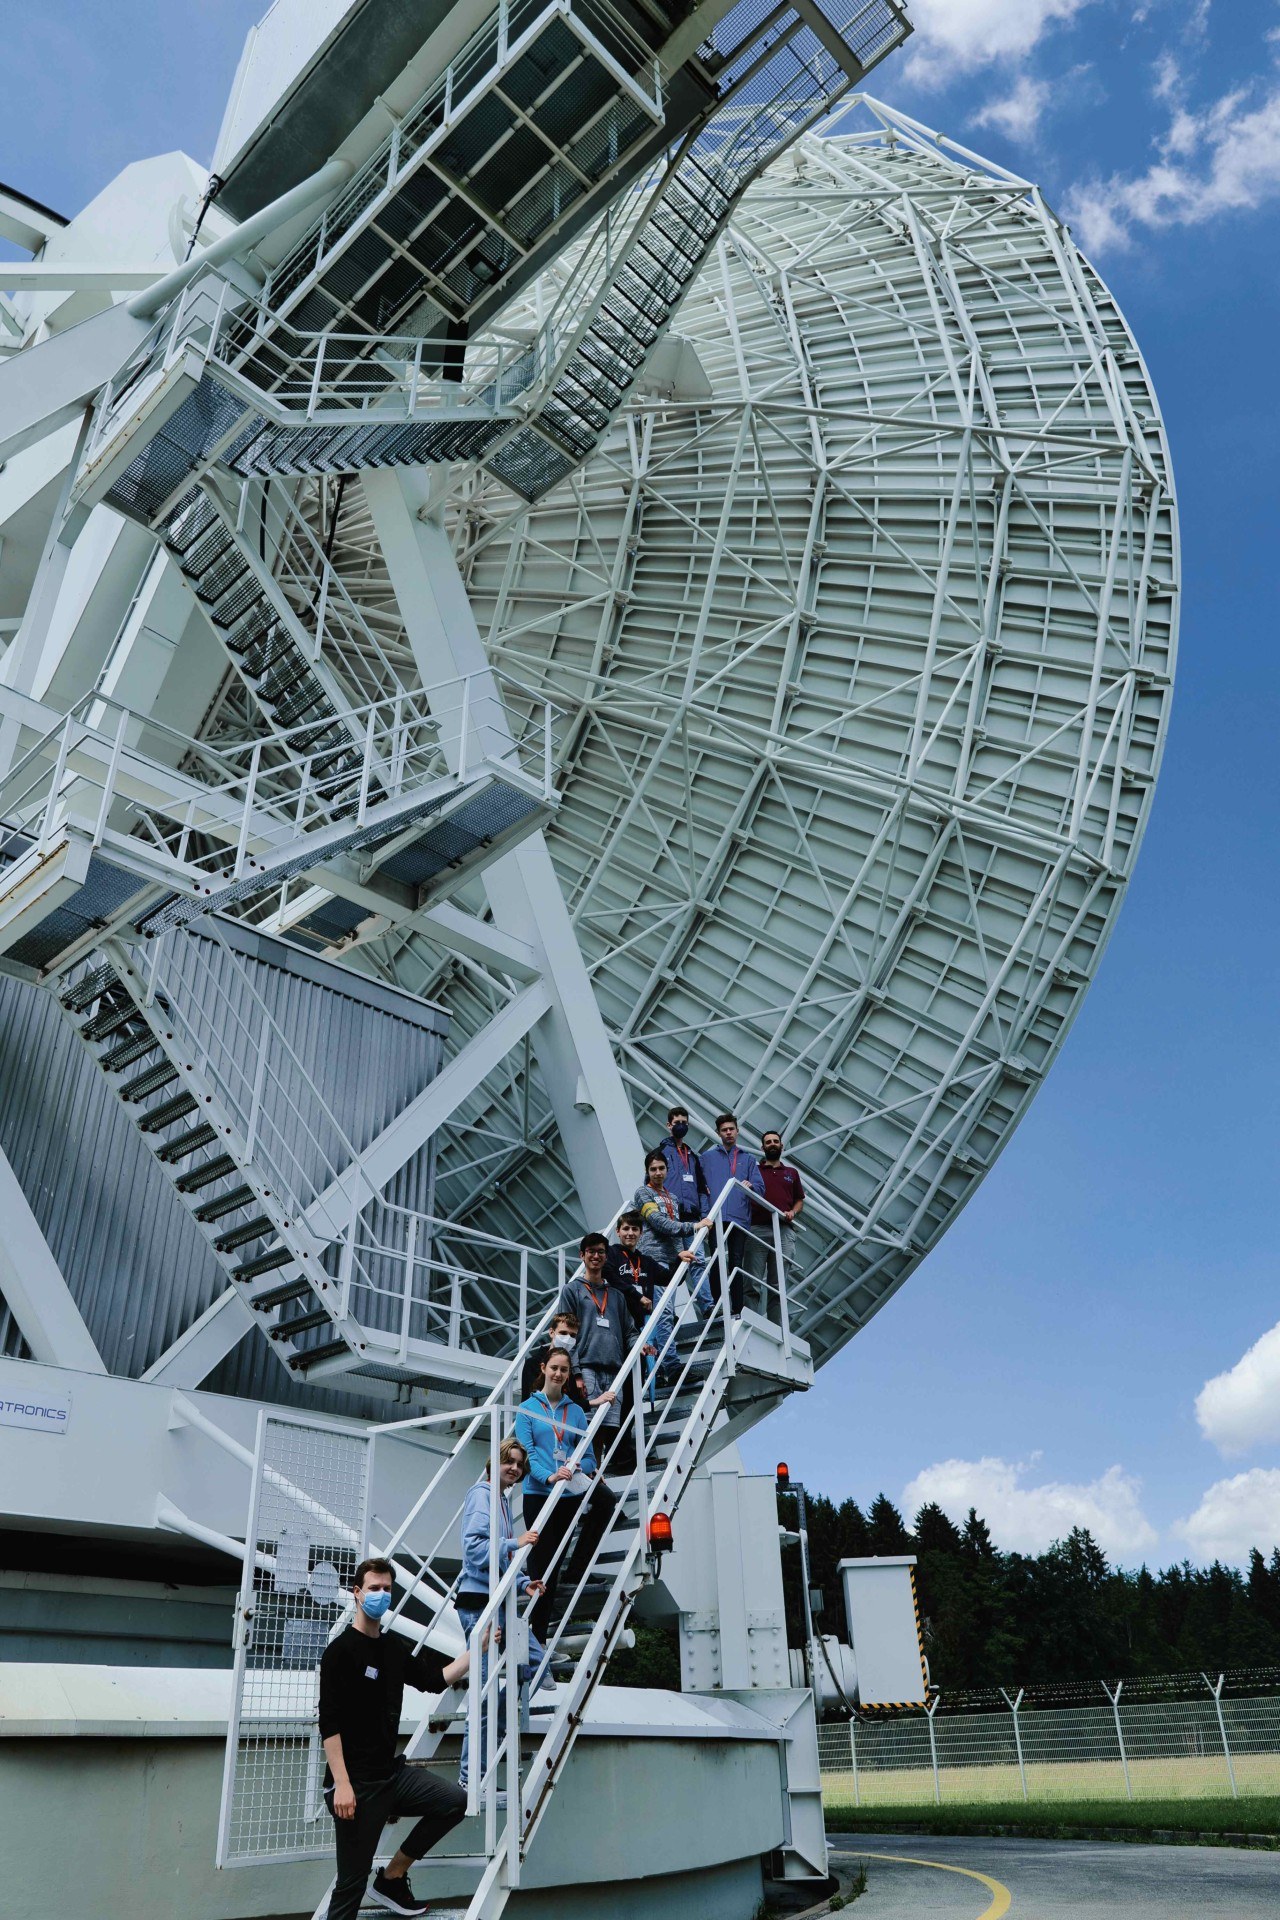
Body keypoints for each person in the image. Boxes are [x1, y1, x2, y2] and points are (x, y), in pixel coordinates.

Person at [319, 1558, 469, 1918]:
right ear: (357, 1593)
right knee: (351, 1885)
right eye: (374, 1588)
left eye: (387, 1589)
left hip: (391, 1775)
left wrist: (476, 1650)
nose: (381, 1595)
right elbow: (330, 1724)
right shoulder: (340, 1652)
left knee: (454, 1802)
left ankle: (393, 1876)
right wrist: (342, 1784)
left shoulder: (392, 1648)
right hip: (356, 1786)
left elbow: (434, 1680)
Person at [456, 1437, 543, 1792]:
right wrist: (515, 1543)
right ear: (495, 1461)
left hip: (499, 1602)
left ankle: (495, 1724)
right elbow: (475, 1550)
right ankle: (469, 1776)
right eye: (510, 1461)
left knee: (536, 1662)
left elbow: (502, 1560)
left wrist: (523, 1583)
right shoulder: (483, 1495)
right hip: (480, 1604)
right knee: (484, 1693)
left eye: (520, 1464)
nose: (516, 1469)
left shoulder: (503, 1500)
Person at [515, 1346, 618, 1642]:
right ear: (543, 1369)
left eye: (564, 1369)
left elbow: (589, 1455)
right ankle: (537, 1638)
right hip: (540, 1493)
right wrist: (549, 1476)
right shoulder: (527, 1409)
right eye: (554, 1368)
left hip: (569, 1492)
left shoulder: (575, 1411)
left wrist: (580, 1467)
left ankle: (577, 1568)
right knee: (543, 1567)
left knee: (606, 1501)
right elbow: (527, 1453)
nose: (559, 1374)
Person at [556, 1233, 627, 1442]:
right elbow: (565, 1333)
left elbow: (629, 1330)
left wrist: (641, 1345)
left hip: (614, 1370)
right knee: (585, 1428)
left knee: (606, 1431)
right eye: (591, 1251)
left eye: (601, 1252)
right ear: (582, 1255)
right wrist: (576, 1373)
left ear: (606, 1256)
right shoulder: (572, 1290)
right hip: (586, 1368)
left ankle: (596, 1465)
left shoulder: (616, 1296)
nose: (596, 1256)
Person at [698, 1113, 766, 1315]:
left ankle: (737, 1308)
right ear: (718, 1133)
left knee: (736, 1262)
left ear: (737, 1131)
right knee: (716, 1260)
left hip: (739, 1219)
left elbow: (760, 1188)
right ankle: (718, 1306)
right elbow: (701, 1189)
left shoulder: (748, 1159)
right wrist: (705, 1215)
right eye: (724, 1130)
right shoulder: (707, 1158)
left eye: (731, 1129)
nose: (728, 1132)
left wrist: (751, 1186)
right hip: (715, 1218)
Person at [744, 1129, 805, 1317]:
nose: (772, 1144)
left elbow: (799, 1200)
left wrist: (793, 1212)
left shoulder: (791, 1173)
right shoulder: (754, 1171)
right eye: (768, 1142)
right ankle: (750, 1319)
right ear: (763, 1147)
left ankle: (777, 1325)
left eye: (775, 1141)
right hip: (757, 1228)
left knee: (778, 1285)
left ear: (781, 1146)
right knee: (752, 1280)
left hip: (784, 1230)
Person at [607, 1208, 673, 1367]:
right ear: (618, 1231)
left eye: (635, 1229)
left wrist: (679, 1260)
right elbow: (610, 1276)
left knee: (642, 1367)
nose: (630, 1233)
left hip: (641, 1323)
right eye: (626, 1229)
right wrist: (637, 1296)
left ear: (641, 1233)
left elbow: (669, 1279)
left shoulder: (646, 1261)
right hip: (618, 1321)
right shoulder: (611, 1253)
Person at [520, 1311, 589, 1407]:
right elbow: (531, 1398)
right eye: (563, 1333)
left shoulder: (569, 1368)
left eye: (572, 1335)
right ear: (551, 1332)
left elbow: (574, 1402)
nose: (568, 1339)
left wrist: (595, 1402)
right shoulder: (533, 1363)